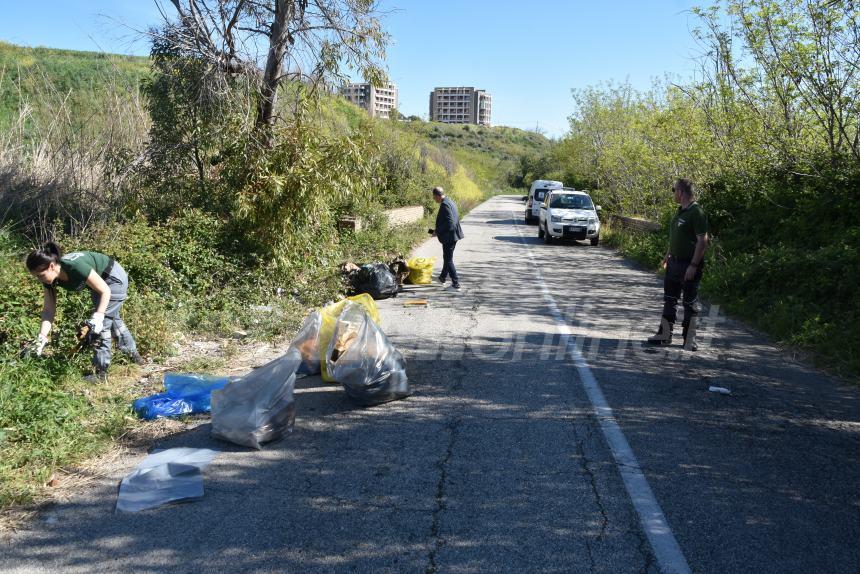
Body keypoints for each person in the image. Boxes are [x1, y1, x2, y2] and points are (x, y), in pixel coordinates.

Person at [25, 242, 144, 381]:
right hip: (99, 285)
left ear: (51, 266)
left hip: (112, 278)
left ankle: (100, 373)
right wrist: (42, 337)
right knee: (111, 318)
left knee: (101, 325)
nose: (39, 279)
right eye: (36, 276)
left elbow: (106, 290)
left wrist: (98, 317)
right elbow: (48, 311)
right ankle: (134, 356)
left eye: (40, 275)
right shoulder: (50, 280)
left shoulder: (74, 267)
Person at [646, 178, 709, 350]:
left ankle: (690, 339)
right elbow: (675, 238)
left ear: (681, 192)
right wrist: (668, 256)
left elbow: (702, 241)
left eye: (674, 190)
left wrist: (694, 265)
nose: (673, 193)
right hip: (674, 263)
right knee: (670, 300)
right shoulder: (680, 211)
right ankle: (664, 336)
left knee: (690, 303)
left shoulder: (696, 212)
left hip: (688, 265)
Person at [430, 186, 465, 289]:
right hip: (453, 235)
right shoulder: (450, 201)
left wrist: (438, 231)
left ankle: (456, 283)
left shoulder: (445, 205)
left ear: (437, 196)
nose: (434, 199)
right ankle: (442, 277)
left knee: (448, 260)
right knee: (447, 258)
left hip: (450, 237)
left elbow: (450, 223)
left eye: (434, 197)